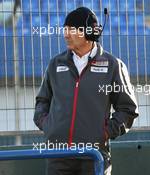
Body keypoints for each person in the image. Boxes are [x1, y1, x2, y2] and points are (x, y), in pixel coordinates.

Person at [33, 7, 138, 175]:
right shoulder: (55, 64)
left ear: (88, 32)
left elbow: (128, 109)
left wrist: (103, 133)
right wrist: (48, 125)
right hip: (58, 156)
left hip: (93, 156)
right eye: (65, 29)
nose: (66, 34)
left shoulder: (113, 65)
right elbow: (42, 101)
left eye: (71, 29)